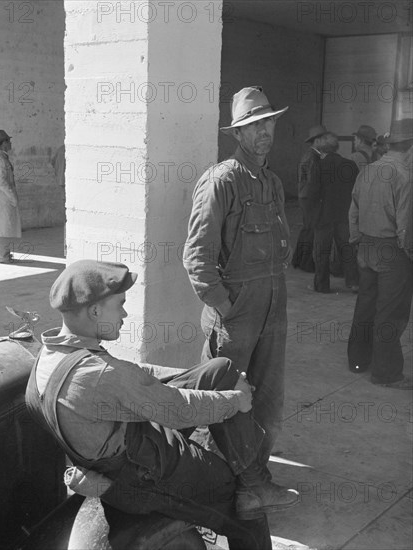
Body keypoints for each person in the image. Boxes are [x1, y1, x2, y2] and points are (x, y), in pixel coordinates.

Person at [26, 260, 299, 549]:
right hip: (139, 475)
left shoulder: (53, 354)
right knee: (241, 503)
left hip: (125, 442)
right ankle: (250, 488)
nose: (124, 313)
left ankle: (253, 478)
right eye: (119, 304)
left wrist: (194, 380)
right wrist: (235, 402)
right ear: (94, 311)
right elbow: (177, 409)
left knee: (220, 370)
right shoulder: (99, 376)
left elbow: (134, 375)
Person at [183, 86, 292, 492]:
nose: (264, 131)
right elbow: (197, 256)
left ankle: (253, 481)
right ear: (239, 134)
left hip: (273, 306)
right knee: (223, 401)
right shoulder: (220, 182)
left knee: (266, 400)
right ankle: (208, 487)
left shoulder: (272, 182)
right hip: (235, 313)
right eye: (254, 125)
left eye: (269, 122)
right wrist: (227, 307)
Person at [347, 118, 413, 388]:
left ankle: (358, 360)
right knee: (391, 312)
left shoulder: (369, 170)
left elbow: (353, 210)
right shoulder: (405, 176)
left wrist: (356, 240)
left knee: (366, 304)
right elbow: (404, 224)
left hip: (365, 245)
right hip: (391, 250)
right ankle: (386, 373)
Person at [311, 132, 359, 293]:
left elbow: (313, 192)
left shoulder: (318, 166)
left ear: (321, 149)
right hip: (345, 214)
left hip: (324, 215)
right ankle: (353, 282)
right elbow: (356, 191)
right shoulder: (350, 165)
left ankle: (322, 285)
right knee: (347, 249)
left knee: (321, 252)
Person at [291, 124, 329, 273]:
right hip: (310, 198)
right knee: (311, 230)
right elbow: (313, 182)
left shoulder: (311, 155)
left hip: (305, 196)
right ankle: (306, 263)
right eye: (324, 139)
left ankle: (298, 260)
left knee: (307, 228)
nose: (326, 142)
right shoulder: (313, 157)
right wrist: (319, 199)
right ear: (317, 141)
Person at [0, 129, 21, 263]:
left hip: (3, 196)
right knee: (3, 227)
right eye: (8, 141)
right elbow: (1, 182)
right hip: (4, 196)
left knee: (4, 226)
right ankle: (2, 256)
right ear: (3, 143)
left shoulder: (1, 157)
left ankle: (2, 254)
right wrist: (12, 197)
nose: (10, 143)